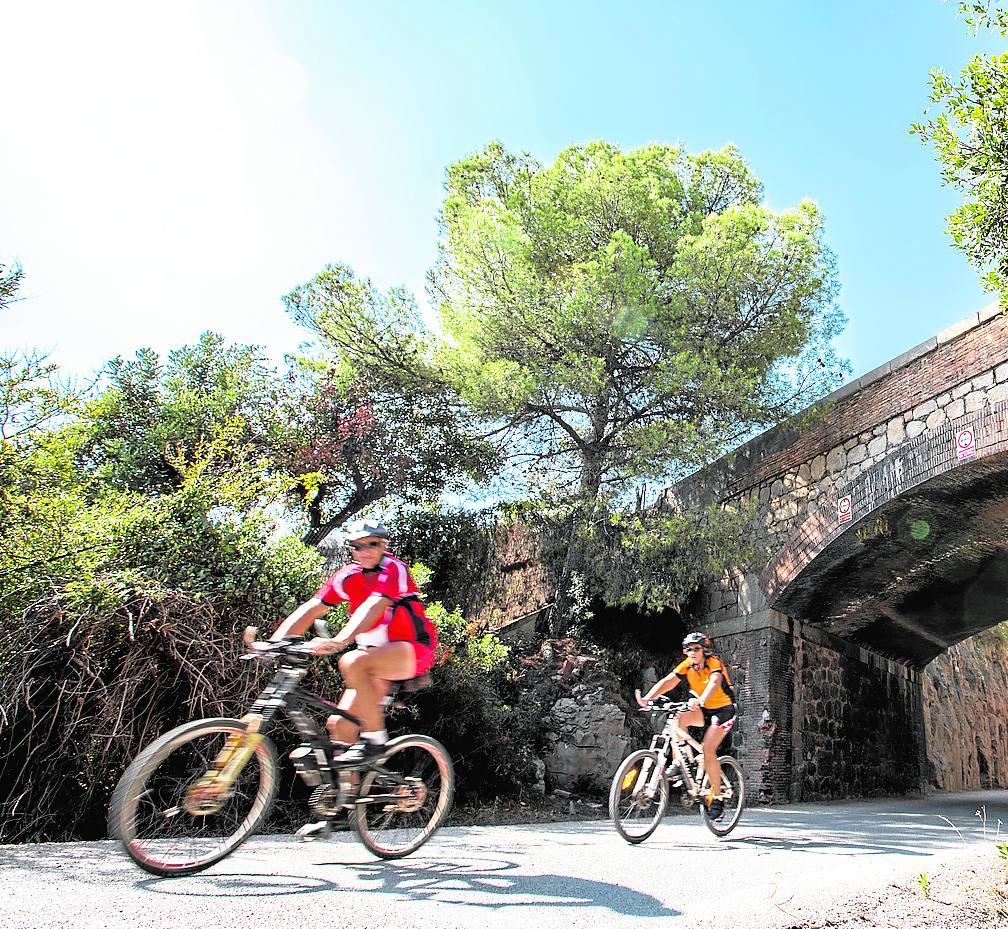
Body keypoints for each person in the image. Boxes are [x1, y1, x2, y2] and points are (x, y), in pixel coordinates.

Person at [268, 519, 438, 765]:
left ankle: (375, 739)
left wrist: (340, 640)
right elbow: (313, 607)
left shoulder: (393, 568)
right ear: (351, 549)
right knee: (340, 726)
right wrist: (276, 642)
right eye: (358, 546)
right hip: (373, 658)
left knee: (352, 661)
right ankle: (349, 798)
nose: (365, 551)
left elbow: (374, 606)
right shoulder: (347, 576)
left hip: (413, 649)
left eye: (372, 544)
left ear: (384, 545)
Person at [635, 631, 736, 820]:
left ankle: (717, 798)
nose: (692, 652)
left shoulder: (714, 663)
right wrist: (648, 698)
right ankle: (680, 763)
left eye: (696, 649)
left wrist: (702, 699)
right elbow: (668, 682)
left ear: (704, 651)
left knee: (707, 750)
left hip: (723, 710)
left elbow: (715, 682)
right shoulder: (688, 666)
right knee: (678, 719)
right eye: (688, 649)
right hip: (702, 709)